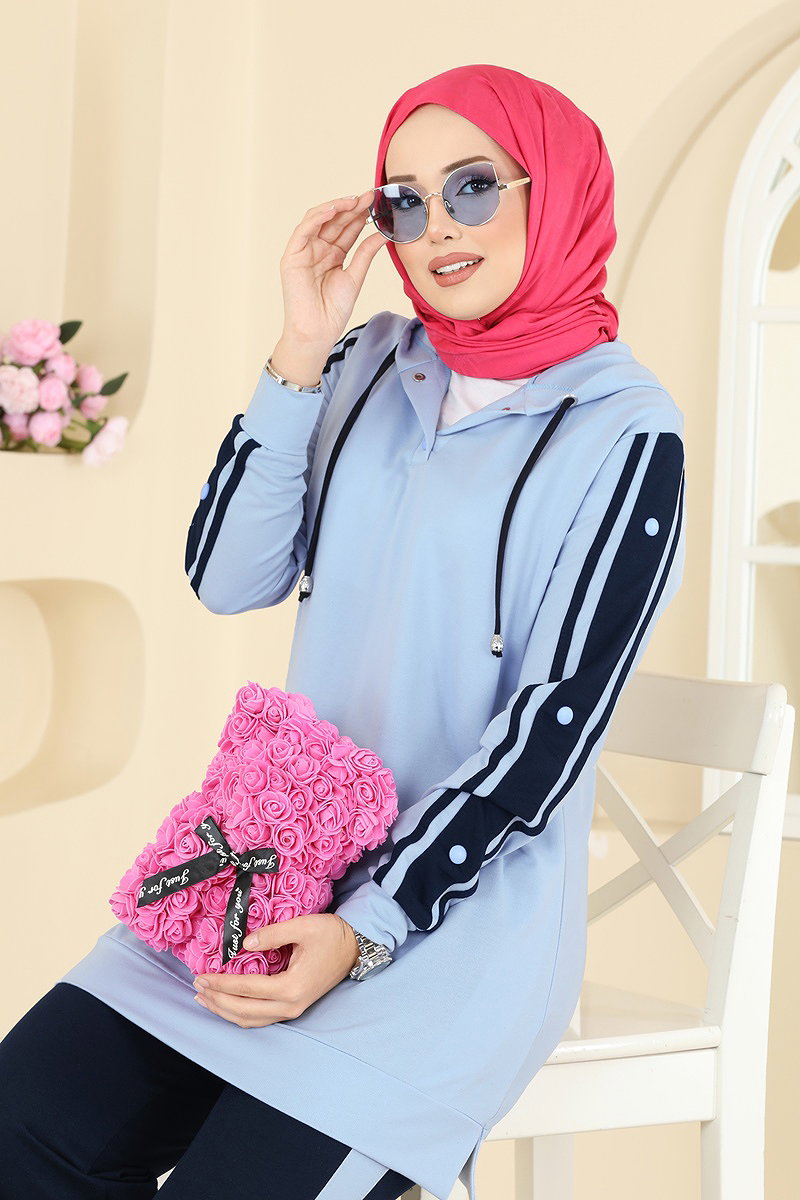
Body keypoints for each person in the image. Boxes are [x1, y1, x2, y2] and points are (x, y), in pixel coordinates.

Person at [0, 63, 686, 1200]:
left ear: (554, 190)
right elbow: (225, 578)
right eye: (403, 201)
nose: (437, 226)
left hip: (439, 938)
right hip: (257, 880)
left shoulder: (623, 431)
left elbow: (554, 727)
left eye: (473, 187)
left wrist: (366, 929)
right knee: (19, 1127)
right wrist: (300, 348)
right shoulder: (367, 364)